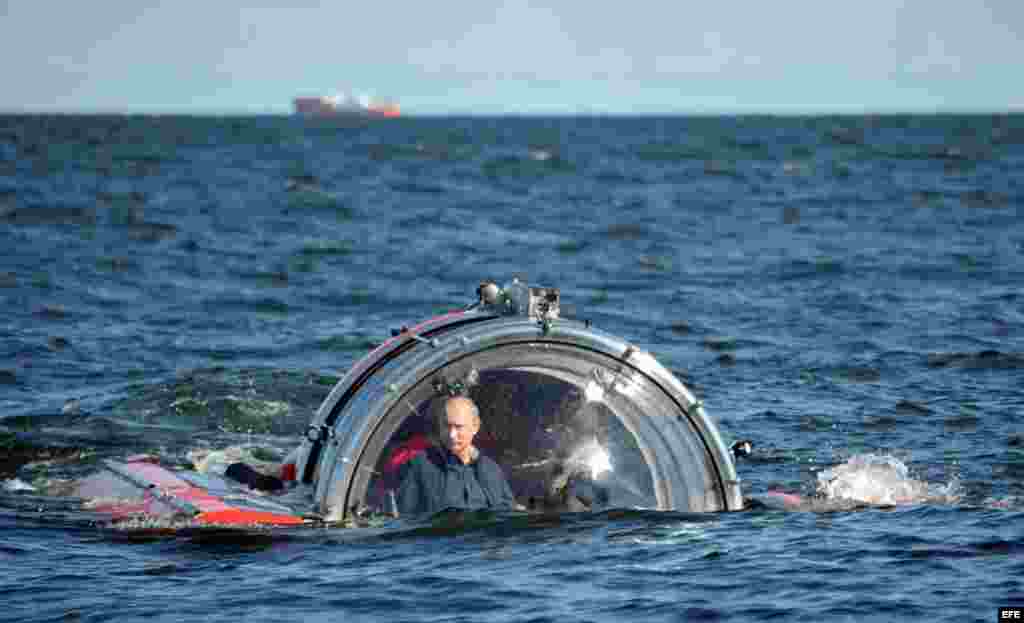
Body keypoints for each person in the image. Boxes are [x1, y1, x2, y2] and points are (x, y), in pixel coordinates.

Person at [396, 395, 516, 516]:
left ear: (475, 426)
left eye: (458, 427)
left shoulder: (491, 470)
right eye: (446, 426)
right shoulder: (419, 467)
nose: (451, 435)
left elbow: (507, 516)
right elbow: (405, 520)